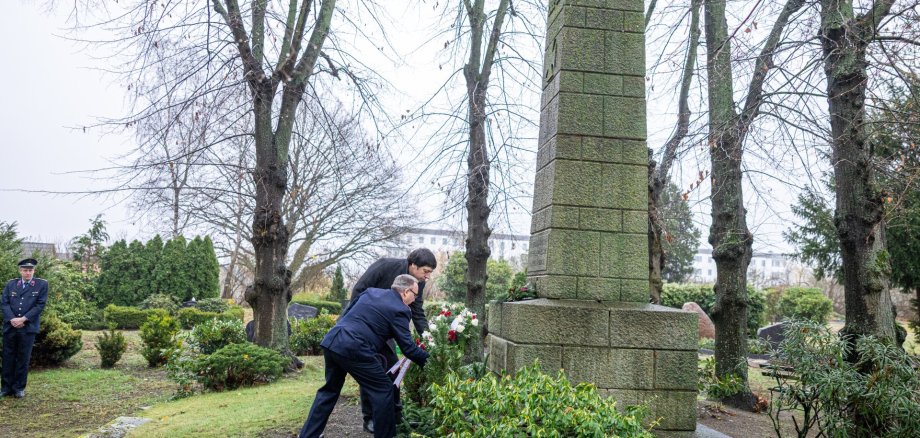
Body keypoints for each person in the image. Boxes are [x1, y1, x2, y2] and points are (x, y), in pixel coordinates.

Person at [299, 274, 429, 438]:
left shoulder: (371, 292)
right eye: (415, 295)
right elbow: (408, 348)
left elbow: (352, 316)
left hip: (333, 340)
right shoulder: (400, 309)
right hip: (354, 348)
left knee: (329, 391)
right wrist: (432, 362)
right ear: (405, 292)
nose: (415, 299)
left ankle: (308, 435)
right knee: (383, 390)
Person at [343, 248, 437, 433]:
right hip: (364, 328)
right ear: (413, 265)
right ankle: (369, 418)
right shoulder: (385, 266)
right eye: (425, 271)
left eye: (429, 273)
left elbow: (417, 311)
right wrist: (359, 320)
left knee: (393, 369)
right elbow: (359, 290)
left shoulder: (419, 282)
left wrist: (428, 337)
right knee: (373, 369)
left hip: (386, 329)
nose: (427, 277)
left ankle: (395, 415)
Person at [1, 258, 49, 399]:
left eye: (30, 270)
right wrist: (12, 319)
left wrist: (23, 319)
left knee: (23, 358)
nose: (27, 273)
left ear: (34, 271)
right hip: (10, 326)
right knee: (8, 357)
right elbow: (4, 303)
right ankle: (5, 388)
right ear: (20, 271)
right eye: (25, 270)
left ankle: (18, 388)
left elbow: (40, 305)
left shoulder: (41, 284)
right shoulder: (11, 284)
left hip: (28, 327)